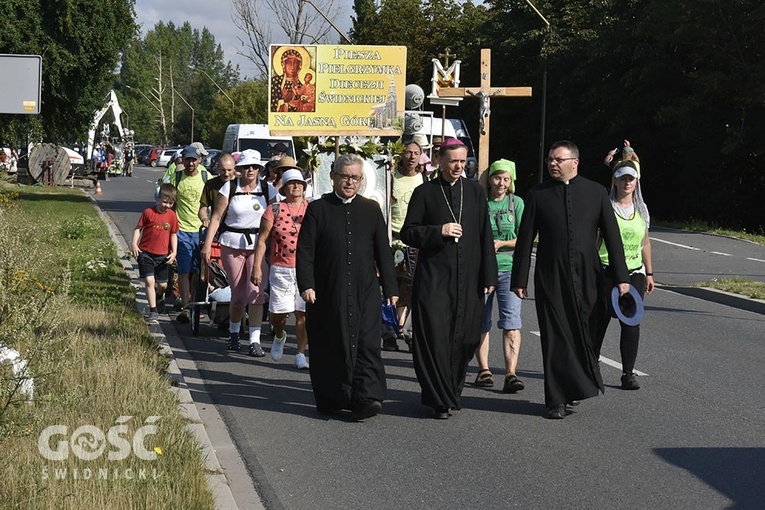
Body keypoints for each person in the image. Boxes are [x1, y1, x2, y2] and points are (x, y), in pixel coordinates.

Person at [510, 140, 630, 419]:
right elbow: (525, 240)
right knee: (555, 338)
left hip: (589, 276)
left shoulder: (596, 192)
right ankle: (555, 399)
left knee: (586, 333)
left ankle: (576, 385)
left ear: (574, 163)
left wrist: (622, 278)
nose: (552, 163)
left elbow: (613, 238)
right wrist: (519, 279)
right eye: (550, 159)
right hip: (551, 276)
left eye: (558, 159)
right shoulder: (538, 194)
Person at [296, 153, 398, 421]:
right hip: (329, 289)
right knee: (332, 343)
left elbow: (382, 251)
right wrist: (307, 284)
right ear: (333, 177)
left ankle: (367, 397)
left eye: (355, 177)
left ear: (362, 180)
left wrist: (391, 287)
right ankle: (334, 398)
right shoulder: (318, 209)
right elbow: (305, 251)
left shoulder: (371, 209)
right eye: (345, 176)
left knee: (366, 342)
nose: (350, 182)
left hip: (365, 288)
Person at [400, 139, 497, 420]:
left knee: (467, 338)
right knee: (436, 337)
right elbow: (409, 232)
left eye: (463, 161)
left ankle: (452, 389)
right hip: (434, 281)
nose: (459, 166)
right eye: (453, 161)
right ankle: (438, 398)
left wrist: (489, 274)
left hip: (469, 279)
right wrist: (438, 230)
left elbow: (484, 234)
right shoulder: (425, 193)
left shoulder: (475, 192)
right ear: (440, 161)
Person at [201, 149, 275, 355]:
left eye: (254, 167)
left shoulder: (269, 191)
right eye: (246, 167)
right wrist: (207, 245)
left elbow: (281, 215)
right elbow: (216, 217)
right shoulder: (229, 188)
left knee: (256, 293)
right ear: (240, 169)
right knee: (239, 295)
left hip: (258, 247)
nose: (250, 170)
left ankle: (254, 340)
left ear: (260, 169)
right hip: (232, 244)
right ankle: (234, 334)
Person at [594, 161, 654, 390]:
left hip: (634, 272)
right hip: (607, 270)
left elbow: (645, 242)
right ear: (615, 181)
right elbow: (595, 240)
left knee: (631, 322)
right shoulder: (606, 207)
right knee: (601, 319)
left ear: (636, 182)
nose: (627, 183)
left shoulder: (641, 209)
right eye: (622, 178)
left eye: (631, 178)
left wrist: (649, 273)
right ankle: (593, 364)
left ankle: (628, 373)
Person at [474, 159, 526, 394]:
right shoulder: (480, 203)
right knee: (480, 321)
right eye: (497, 178)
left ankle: (510, 373)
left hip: (510, 269)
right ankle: (484, 370)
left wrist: (503, 243)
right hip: (483, 270)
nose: (501, 183)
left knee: (511, 322)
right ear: (490, 179)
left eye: (506, 179)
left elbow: (525, 238)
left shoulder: (517, 204)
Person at [252, 169, 310, 369]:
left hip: (305, 268)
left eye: (300, 183)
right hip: (280, 267)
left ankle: (301, 353)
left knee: (302, 312)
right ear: (284, 187)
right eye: (291, 183)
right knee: (279, 314)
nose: (296, 187)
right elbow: (262, 240)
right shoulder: (274, 209)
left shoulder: (311, 209)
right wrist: (256, 267)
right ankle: (279, 335)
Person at [388, 141, 428, 350]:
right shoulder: (391, 177)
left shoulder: (425, 180)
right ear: (401, 155)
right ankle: (389, 330)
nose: (412, 157)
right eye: (408, 153)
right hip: (393, 239)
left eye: (416, 153)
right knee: (389, 286)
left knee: (415, 288)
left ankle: (410, 331)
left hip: (416, 241)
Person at [131, 183, 179, 324]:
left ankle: (159, 297)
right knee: (149, 280)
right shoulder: (148, 213)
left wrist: (174, 251)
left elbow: (173, 234)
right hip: (146, 253)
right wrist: (134, 244)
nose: (167, 205)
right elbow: (138, 228)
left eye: (170, 203)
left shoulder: (172, 216)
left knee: (163, 285)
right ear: (158, 198)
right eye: (164, 201)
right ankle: (153, 311)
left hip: (163, 255)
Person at [173, 144, 210, 323]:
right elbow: (166, 197)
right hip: (181, 231)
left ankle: (195, 303)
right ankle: (186, 307)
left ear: (199, 160)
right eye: (187, 159)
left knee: (197, 273)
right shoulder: (177, 176)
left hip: (201, 232)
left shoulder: (205, 176)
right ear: (183, 159)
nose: (190, 163)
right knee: (183, 270)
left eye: (193, 160)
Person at [199, 153, 237, 228]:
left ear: (234, 168)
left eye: (229, 170)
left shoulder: (241, 184)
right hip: (217, 228)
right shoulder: (211, 185)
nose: (226, 174)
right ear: (218, 168)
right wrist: (204, 218)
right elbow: (202, 209)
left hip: (236, 229)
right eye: (223, 170)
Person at [271, 48, 304, 112]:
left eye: (295, 63)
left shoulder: (301, 85)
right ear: (283, 64)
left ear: (299, 66)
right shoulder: (276, 81)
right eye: (289, 63)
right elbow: (273, 104)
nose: (292, 67)